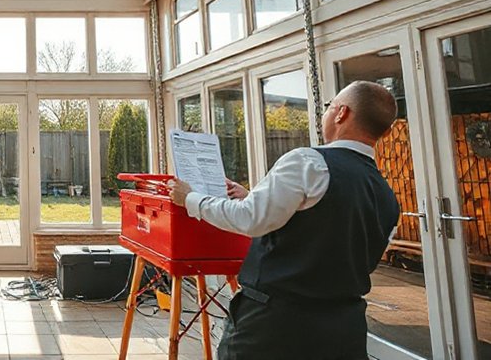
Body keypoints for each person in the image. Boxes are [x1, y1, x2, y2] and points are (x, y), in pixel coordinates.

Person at [169, 81, 400, 360]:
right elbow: (336, 238)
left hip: (275, 328)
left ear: (341, 113)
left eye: (329, 107)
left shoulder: (309, 162)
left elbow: (249, 219)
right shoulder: (388, 197)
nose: (326, 114)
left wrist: (191, 199)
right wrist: (254, 196)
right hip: (343, 332)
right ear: (386, 131)